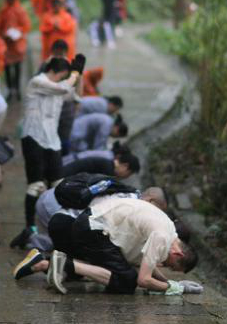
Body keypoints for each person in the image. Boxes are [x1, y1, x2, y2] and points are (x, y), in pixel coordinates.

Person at [46, 198, 200, 295]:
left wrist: (169, 283)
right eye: (173, 267)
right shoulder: (162, 236)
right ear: (178, 254)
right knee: (128, 281)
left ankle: (52, 262)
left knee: (126, 275)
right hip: (94, 228)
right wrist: (175, 288)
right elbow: (144, 280)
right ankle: (65, 263)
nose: (168, 267)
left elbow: (147, 263)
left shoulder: (169, 230)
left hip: (92, 224)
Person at [12, 187, 168, 280]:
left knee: (78, 273)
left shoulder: (131, 196)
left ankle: (41, 260)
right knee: (103, 266)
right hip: (72, 223)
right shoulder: (135, 205)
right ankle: (43, 260)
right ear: (151, 200)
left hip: (71, 221)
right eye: (157, 210)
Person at [21, 55, 85, 230]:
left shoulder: (59, 88)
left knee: (58, 184)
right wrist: (73, 75)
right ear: (58, 71)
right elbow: (63, 88)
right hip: (33, 137)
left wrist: (79, 76)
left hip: (52, 140)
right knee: (36, 185)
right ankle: (29, 227)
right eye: (64, 75)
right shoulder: (37, 82)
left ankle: (58, 225)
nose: (66, 79)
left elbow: (75, 96)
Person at [38, 40, 82, 154]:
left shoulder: (73, 68)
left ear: (66, 53)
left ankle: (63, 161)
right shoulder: (46, 66)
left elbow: (79, 88)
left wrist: (77, 105)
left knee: (64, 139)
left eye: (61, 54)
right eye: (56, 54)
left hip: (66, 109)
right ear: (52, 52)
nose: (58, 57)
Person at [0, 0, 31, 102]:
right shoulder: (3, 11)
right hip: (7, 44)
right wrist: (3, 34)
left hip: (18, 44)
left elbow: (26, 26)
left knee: (18, 68)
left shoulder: (20, 10)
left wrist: (17, 31)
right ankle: (10, 90)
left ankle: (17, 89)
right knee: (8, 68)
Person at [61, 148, 140, 179]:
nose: (126, 177)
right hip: (64, 176)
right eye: (128, 174)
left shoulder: (108, 163)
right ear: (125, 166)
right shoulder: (108, 170)